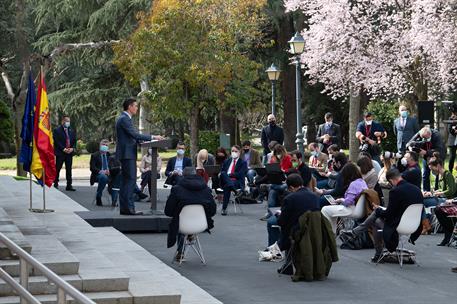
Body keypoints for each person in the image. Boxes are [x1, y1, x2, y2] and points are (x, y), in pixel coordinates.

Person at [343, 168, 423, 261]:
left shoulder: (395, 191)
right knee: (377, 214)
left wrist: (378, 210)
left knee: (375, 220)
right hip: (415, 225)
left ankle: (377, 253)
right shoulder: (417, 190)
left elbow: (389, 214)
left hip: (399, 225)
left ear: (392, 180)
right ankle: (355, 232)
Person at [115, 97, 163, 215]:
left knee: (127, 181)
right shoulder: (124, 119)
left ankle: (125, 209)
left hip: (127, 153)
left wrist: (139, 142)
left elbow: (130, 137)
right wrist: (153, 137)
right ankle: (129, 209)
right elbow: (134, 134)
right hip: (127, 154)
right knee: (130, 181)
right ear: (130, 107)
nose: (137, 108)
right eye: (135, 106)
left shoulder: (124, 118)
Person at [164, 167, 217, 262]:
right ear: (195, 174)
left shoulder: (177, 189)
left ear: (183, 176)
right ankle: (190, 234)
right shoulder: (206, 189)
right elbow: (213, 210)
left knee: (179, 215)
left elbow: (168, 211)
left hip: (182, 225)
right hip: (201, 224)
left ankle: (180, 251)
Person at [267, 174, 320, 249]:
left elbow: (281, 222)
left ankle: (274, 250)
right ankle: (276, 246)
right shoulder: (315, 196)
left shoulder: (290, 198)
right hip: (313, 227)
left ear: (291, 187)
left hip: (296, 229)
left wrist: (278, 214)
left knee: (271, 221)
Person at [321, 163, 368, 233]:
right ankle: (332, 232)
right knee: (332, 213)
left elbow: (348, 202)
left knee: (325, 210)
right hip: (360, 210)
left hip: (352, 209)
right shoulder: (362, 182)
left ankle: (329, 234)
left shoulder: (353, 184)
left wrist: (340, 200)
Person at [406, 125, 445, 191]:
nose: (424, 139)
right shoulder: (421, 132)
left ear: (430, 134)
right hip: (426, 156)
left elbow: (439, 150)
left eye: (425, 138)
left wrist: (426, 152)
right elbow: (408, 144)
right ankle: (426, 191)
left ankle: (437, 190)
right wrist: (411, 147)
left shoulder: (437, 135)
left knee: (438, 174)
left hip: (437, 156)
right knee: (425, 174)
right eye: (422, 138)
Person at [89, 139, 121, 206]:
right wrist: (102, 171)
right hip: (98, 174)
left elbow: (113, 166)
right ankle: (99, 195)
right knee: (104, 177)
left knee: (116, 177)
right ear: (100, 145)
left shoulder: (109, 155)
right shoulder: (95, 155)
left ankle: (114, 201)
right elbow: (92, 168)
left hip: (110, 174)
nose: (105, 146)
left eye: (106, 145)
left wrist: (110, 171)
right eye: (103, 145)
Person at [220, 145, 248, 215]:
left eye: (236, 151)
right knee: (223, 173)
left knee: (227, 186)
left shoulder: (243, 163)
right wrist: (226, 175)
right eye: (232, 151)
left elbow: (240, 175)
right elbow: (222, 172)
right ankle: (235, 191)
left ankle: (224, 209)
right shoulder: (226, 161)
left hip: (236, 181)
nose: (234, 152)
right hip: (225, 180)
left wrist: (230, 175)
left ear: (239, 153)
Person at [53, 115, 77, 191]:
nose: (68, 123)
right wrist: (63, 149)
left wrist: (72, 148)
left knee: (69, 169)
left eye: (69, 121)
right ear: (62, 121)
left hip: (69, 153)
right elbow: (56, 141)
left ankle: (69, 185)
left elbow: (74, 141)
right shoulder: (57, 130)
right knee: (58, 168)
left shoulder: (71, 130)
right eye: (66, 121)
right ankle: (55, 183)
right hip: (61, 153)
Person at [447, 105, 457, 173]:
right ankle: (450, 172)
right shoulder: (450, 119)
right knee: (452, 157)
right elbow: (449, 129)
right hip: (453, 140)